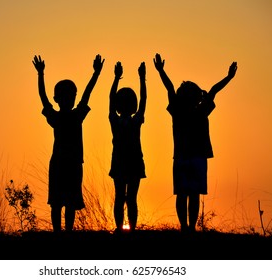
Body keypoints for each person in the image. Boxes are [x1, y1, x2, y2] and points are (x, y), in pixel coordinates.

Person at [153, 53, 237, 233]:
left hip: (184, 157)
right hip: (195, 157)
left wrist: (161, 71)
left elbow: (169, 88)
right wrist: (229, 77)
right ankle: (189, 228)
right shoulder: (200, 111)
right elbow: (213, 90)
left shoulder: (179, 111)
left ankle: (186, 227)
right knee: (192, 193)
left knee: (183, 194)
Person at [32, 54, 104, 232]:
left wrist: (96, 74)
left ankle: (66, 233)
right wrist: (40, 75)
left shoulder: (69, 116)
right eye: (64, 96)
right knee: (58, 203)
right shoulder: (66, 117)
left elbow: (86, 94)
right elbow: (43, 97)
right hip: (62, 164)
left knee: (68, 203)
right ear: (57, 99)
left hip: (69, 164)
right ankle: (60, 233)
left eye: (70, 96)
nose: (67, 99)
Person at [109, 61, 147, 233]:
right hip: (128, 162)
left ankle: (127, 228)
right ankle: (125, 228)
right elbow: (143, 99)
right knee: (127, 198)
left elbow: (143, 100)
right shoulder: (127, 121)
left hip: (127, 162)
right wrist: (140, 78)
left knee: (126, 198)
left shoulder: (121, 121)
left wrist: (140, 78)